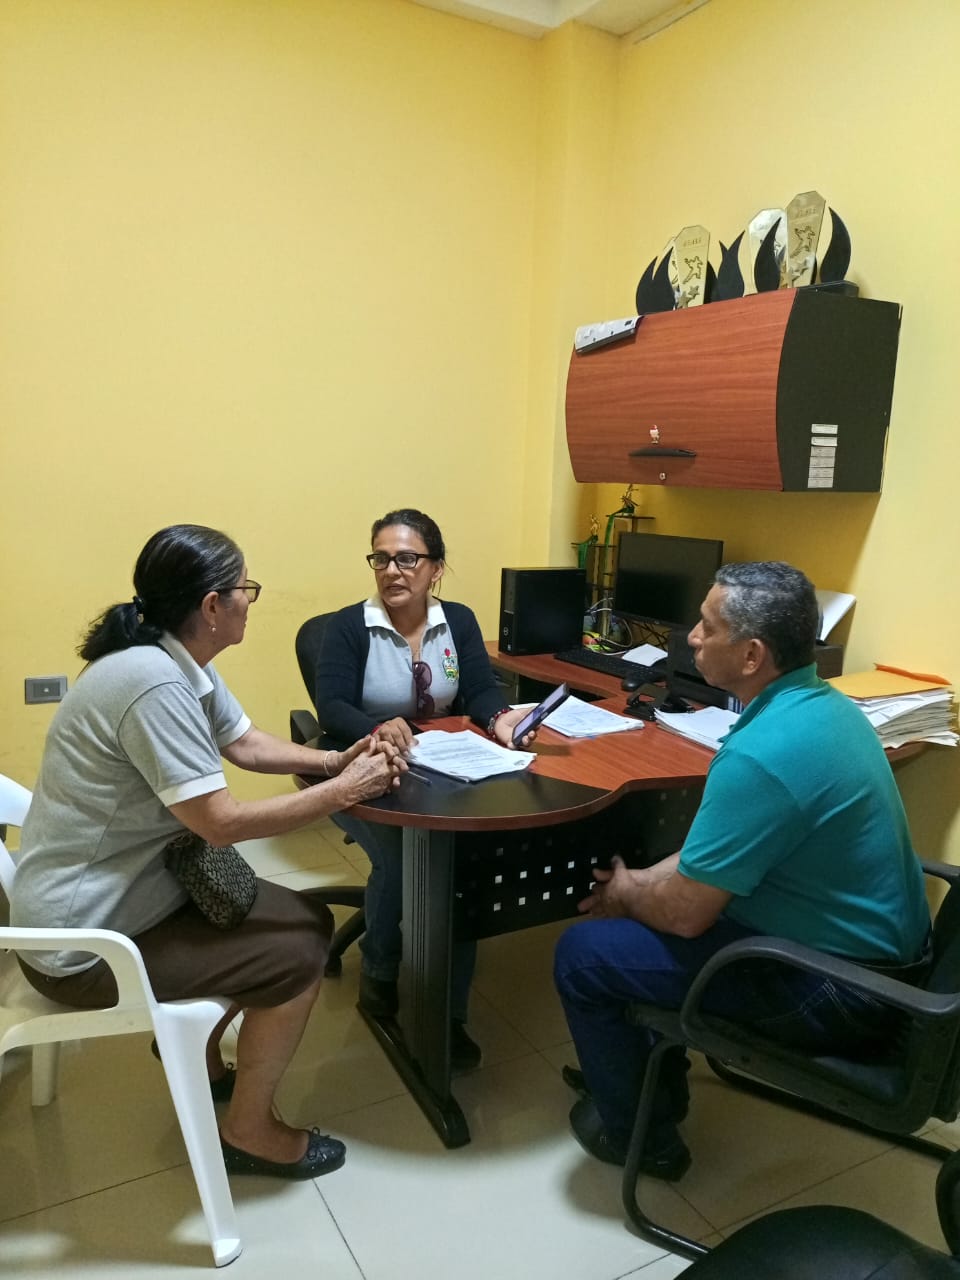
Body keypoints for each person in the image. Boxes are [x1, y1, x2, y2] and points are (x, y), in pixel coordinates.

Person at [11, 524, 405, 1180]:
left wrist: (335, 759)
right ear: (212, 606)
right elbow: (220, 824)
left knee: (306, 918)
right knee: (298, 955)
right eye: (246, 588)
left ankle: (199, 1051)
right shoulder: (153, 684)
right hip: (82, 945)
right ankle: (248, 1133)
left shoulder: (175, 660)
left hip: (131, 892)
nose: (252, 599)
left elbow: (244, 742)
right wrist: (343, 791)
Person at [554, 561, 931, 1179]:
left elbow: (685, 915)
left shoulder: (762, 755)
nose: (692, 637)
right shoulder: (826, 708)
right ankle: (636, 1073)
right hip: (891, 966)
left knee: (584, 956)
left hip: (844, 991)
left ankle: (644, 1139)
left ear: (752, 654)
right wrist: (639, 885)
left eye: (707, 627)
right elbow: (715, 854)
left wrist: (626, 893)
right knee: (638, 917)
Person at [314, 508, 534, 1071]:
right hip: (361, 770)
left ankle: (448, 1015)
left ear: (435, 568)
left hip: (441, 769)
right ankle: (381, 973)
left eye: (407, 559)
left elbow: (480, 689)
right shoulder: (349, 626)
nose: (392, 570)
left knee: (459, 862)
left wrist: (501, 718)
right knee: (397, 857)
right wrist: (375, 728)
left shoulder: (456, 620)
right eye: (382, 558)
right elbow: (331, 706)